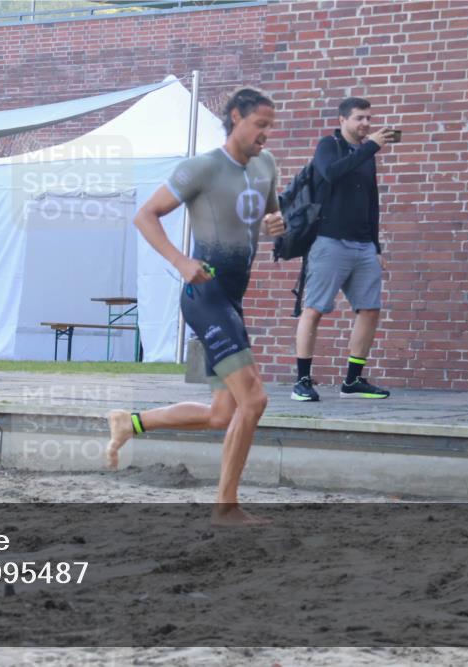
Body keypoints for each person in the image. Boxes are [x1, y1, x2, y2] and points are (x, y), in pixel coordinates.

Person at [105, 87, 285, 526]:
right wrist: (180, 261)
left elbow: (269, 217)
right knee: (254, 399)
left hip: (232, 301)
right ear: (236, 117)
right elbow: (146, 215)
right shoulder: (202, 167)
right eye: (259, 124)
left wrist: (277, 224)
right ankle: (226, 506)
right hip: (205, 298)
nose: (265, 133)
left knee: (223, 413)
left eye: (270, 126)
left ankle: (130, 422)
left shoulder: (266, 165)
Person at [291, 97, 396, 402]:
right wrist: (370, 147)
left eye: (369, 118)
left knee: (370, 309)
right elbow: (331, 173)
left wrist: (376, 246)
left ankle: (353, 380)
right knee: (314, 309)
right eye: (359, 118)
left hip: (363, 246)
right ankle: (302, 381)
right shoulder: (329, 145)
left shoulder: (367, 154)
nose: (366, 123)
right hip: (329, 241)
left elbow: (372, 203)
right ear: (343, 120)